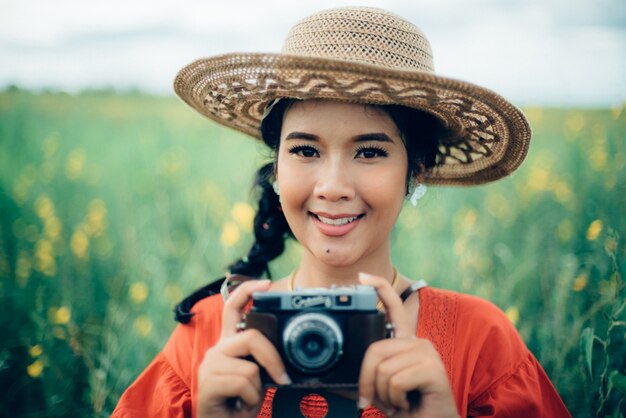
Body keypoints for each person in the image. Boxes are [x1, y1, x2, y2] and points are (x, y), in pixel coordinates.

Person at [112, 6, 571, 418]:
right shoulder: (208, 336)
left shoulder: (481, 342)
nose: (332, 187)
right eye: (305, 150)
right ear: (276, 166)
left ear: (418, 168)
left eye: (369, 153)